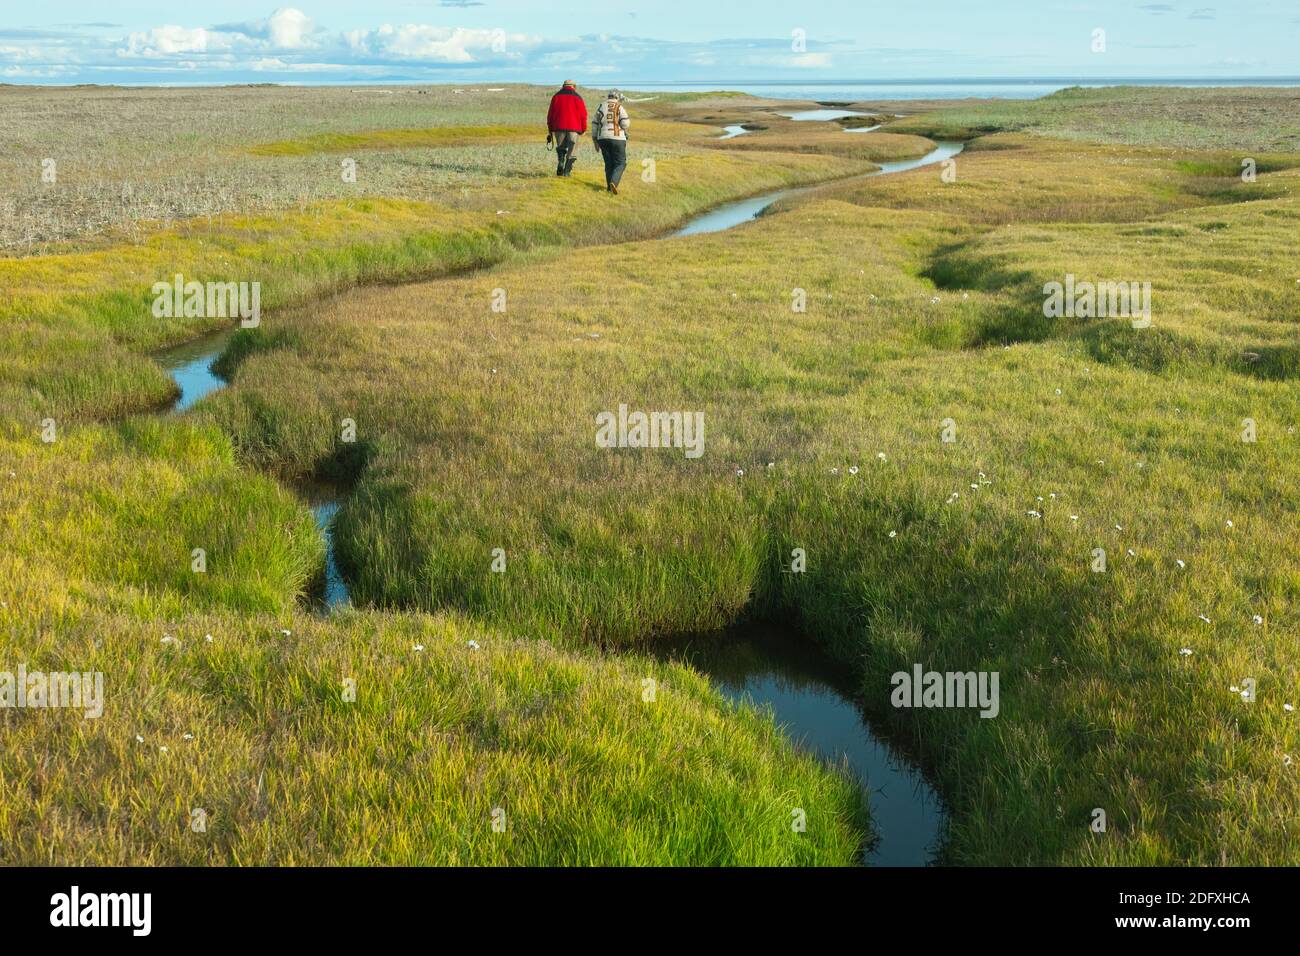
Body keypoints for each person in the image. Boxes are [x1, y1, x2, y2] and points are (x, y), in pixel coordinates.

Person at [546, 80, 588, 177]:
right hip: (574, 128)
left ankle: (561, 162)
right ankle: (566, 171)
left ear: (563, 86)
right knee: (572, 148)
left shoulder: (556, 96)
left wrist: (550, 128)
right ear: (574, 86)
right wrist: (583, 129)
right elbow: (583, 115)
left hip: (558, 127)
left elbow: (550, 114)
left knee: (561, 147)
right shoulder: (578, 97)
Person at [592, 90, 630, 194]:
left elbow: (594, 124)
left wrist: (595, 140)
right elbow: (625, 124)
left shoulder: (601, 106)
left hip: (602, 138)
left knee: (609, 164)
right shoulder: (619, 106)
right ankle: (614, 182)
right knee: (621, 163)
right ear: (617, 97)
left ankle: (609, 188)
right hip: (617, 138)